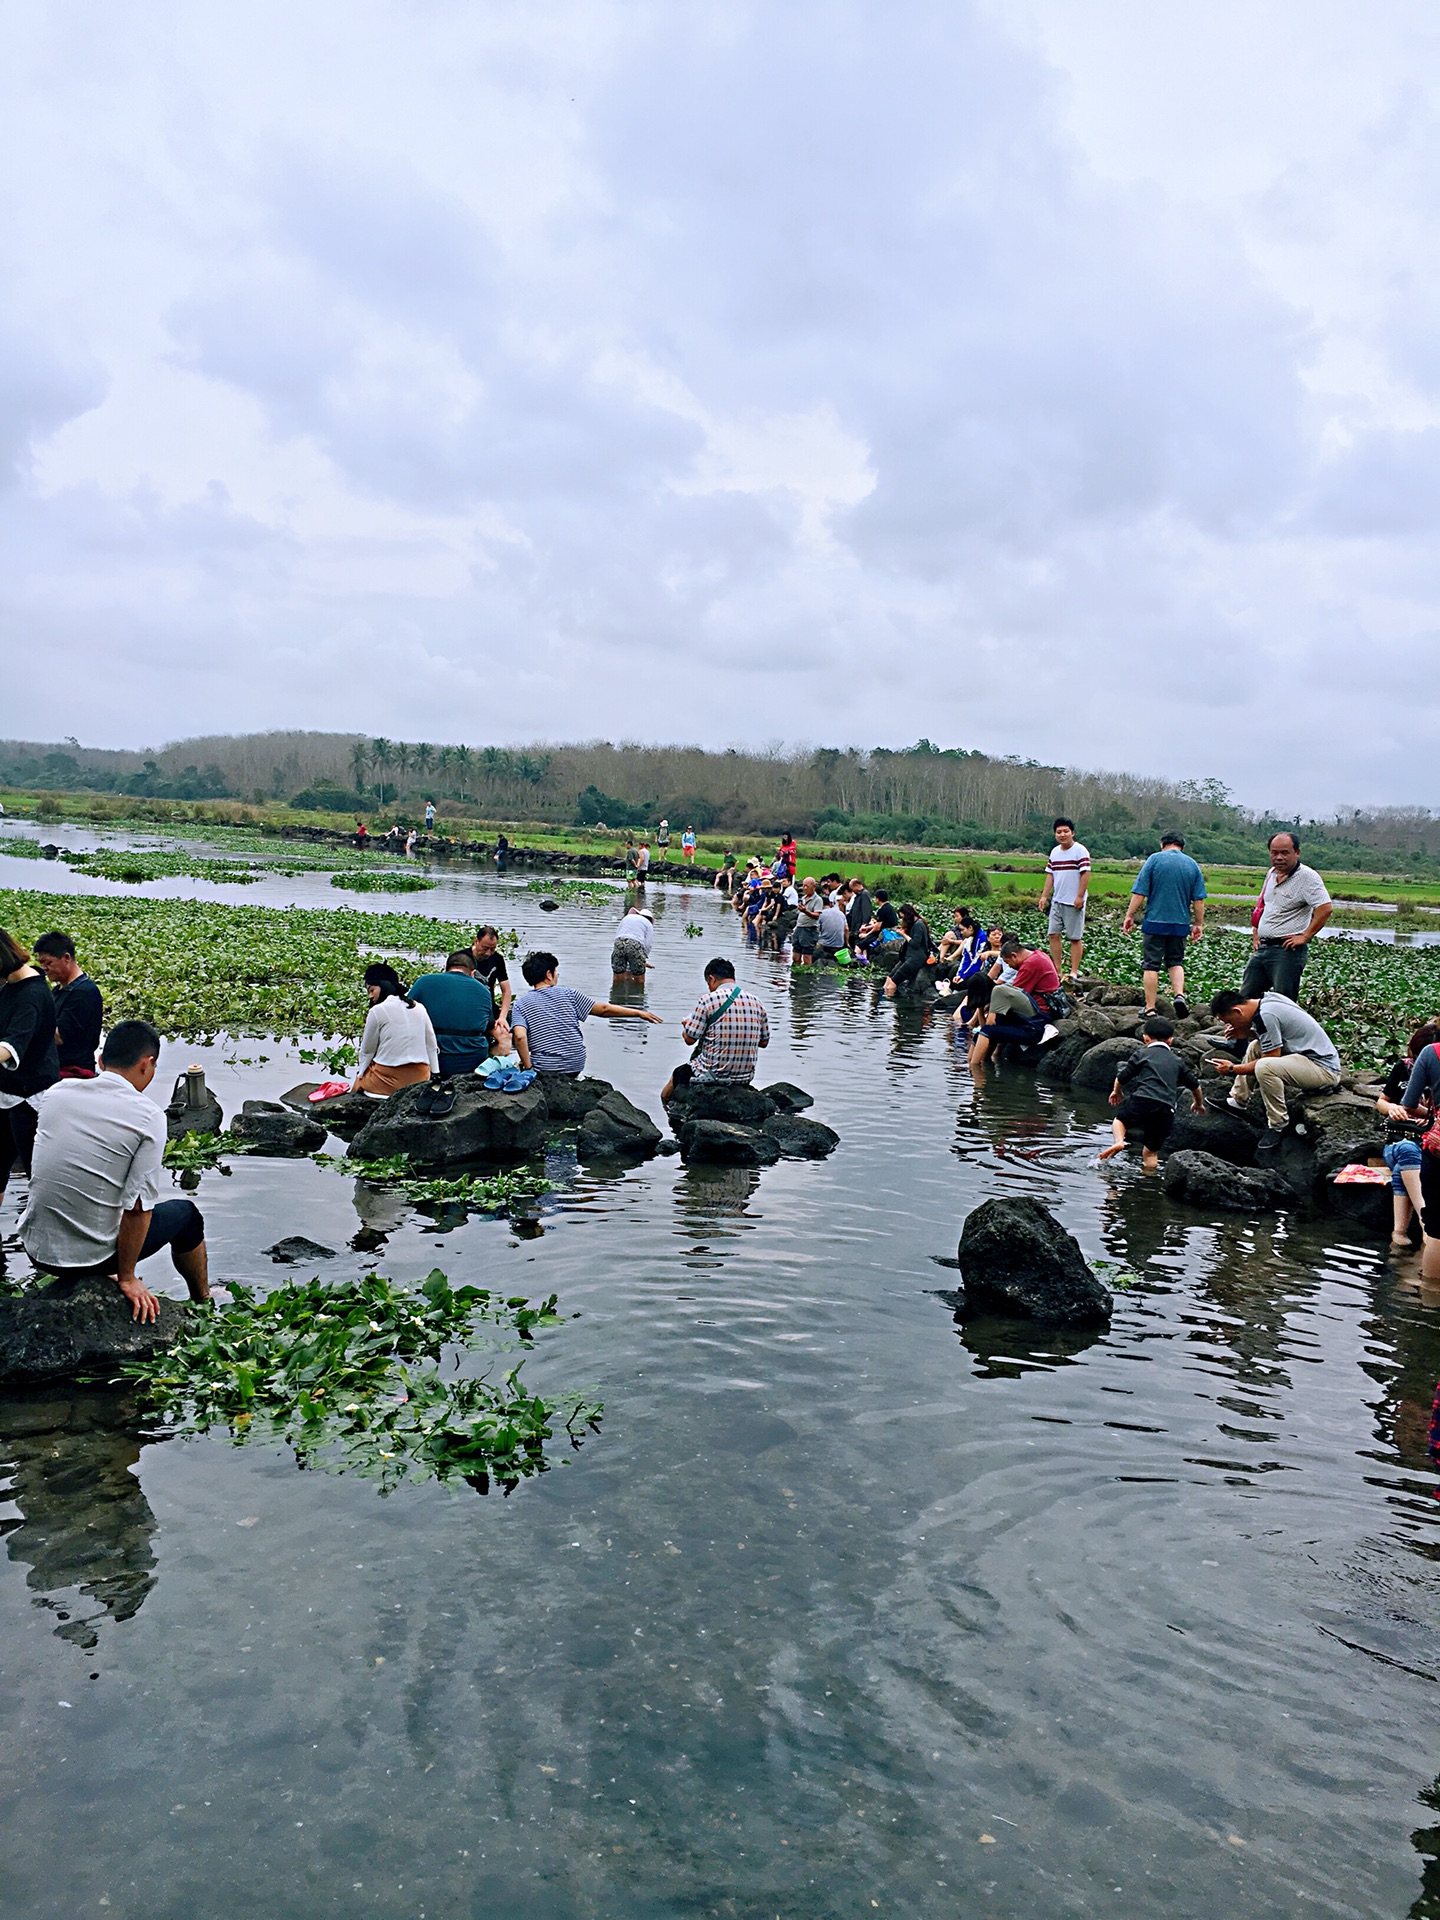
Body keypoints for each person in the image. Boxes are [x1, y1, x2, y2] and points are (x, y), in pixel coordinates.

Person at [20, 1019, 211, 1322]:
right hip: (89, 1259)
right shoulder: (148, 1117)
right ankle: (204, 1299)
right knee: (187, 1216)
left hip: (36, 1249)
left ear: (100, 1060)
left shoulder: (57, 1093)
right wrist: (127, 1277)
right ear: (148, 1064)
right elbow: (137, 1207)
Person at [1208, 987, 1342, 1159]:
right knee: (1255, 1046)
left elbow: (1270, 1059)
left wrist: (1232, 1069)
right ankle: (1238, 1100)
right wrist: (1245, 1033)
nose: (1229, 1026)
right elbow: (1272, 1038)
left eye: (1229, 1022)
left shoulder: (1266, 1016)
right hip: (1304, 1057)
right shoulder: (1268, 1000)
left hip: (1324, 1070)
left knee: (1265, 1067)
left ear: (1237, 1011)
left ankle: (1278, 1124)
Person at [511, 951, 662, 1074]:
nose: (557, 975)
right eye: (556, 971)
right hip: (576, 1065)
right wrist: (638, 1013)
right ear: (549, 974)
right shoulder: (568, 994)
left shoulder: (521, 1004)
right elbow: (604, 1010)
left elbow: (519, 1036)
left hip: (546, 1068)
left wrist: (529, 1068)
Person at [0, 928, 62, 1205]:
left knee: (37, 1178)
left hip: (29, 1100)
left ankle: (41, 1242)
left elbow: (10, 1047)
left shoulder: (31, 996)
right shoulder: (12, 985)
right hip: (7, 1094)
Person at [1099, 1015, 1205, 1172]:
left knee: (1119, 1120)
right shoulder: (1177, 1061)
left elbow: (1122, 1077)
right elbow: (1195, 1086)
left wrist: (1117, 1092)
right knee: (1150, 1153)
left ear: (1145, 1038)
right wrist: (1198, 1103)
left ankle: (1119, 1141)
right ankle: (1147, 1181)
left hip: (1142, 1099)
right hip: (1166, 1108)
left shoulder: (1141, 1054)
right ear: (1171, 1040)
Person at [661, 958, 770, 1102]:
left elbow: (689, 1040)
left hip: (713, 1076)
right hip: (745, 1077)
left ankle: (665, 1110)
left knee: (678, 1074)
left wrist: (686, 1025)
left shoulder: (708, 1000)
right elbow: (763, 1042)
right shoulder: (757, 1002)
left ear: (711, 979)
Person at [1123, 832, 1207, 1016]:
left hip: (1155, 922)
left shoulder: (1154, 860)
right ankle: (1179, 995)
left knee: (1151, 965)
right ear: (1181, 846)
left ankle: (1150, 1008)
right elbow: (1199, 900)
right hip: (1180, 923)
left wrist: (1129, 915)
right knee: (1176, 962)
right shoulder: (1192, 864)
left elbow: (1139, 893)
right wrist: (1198, 924)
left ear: (1163, 844)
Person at [1241, 832, 1332, 1002]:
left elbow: (1325, 908)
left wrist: (1305, 936)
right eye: (1274, 853)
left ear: (1296, 852)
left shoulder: (1307, 877)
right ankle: (1248, 1028)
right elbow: (1263, 905)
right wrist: (1256, 931)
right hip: (1264, 948)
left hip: (1287, 950)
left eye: (1284, 853)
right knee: (1246, 998)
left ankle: (1284, 1029)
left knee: (1283, 1001)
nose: (1279, 858)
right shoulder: (1271, 873)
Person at [1379, 1032, 1440, 1279]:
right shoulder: (1402, 1068)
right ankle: (1405, 1231)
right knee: (1406, 1153)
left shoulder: (1432, 1055)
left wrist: (1430, 1116)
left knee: (1437, 1231)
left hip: (1430, 1145)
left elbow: (1410, 1102)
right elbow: (1384, 1102)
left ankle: (1429, 1299)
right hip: (1408, 1142)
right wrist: (1393, 1109)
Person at [968, 937, 1061, 1067]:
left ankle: (973, 1068)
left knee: (988, 1030)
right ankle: (982, 1062)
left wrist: (986, 1010)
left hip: (1037, 1018)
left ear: (1014, 956)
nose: (1010, 967)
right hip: (1035, 1012)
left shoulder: (1029, 966)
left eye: (1008, 963)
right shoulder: (1038, 955)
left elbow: (1011, 996)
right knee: (987, 1030)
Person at [351, 964, 438, 1097]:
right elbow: (431, 1045)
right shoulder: (419, 1007)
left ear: (382, 986)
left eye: (371, 990)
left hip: (387, 1081)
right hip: (420, 1077)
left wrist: (360, 1076)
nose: (370, 996)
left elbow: (367, 1051)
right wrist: (436, 1074)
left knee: (360, 1081)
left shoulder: (377, 1011)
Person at [409, 952, 495, 1078]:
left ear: (445, 969)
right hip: (473, 1060)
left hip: (436, 1058)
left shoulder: (424, 982)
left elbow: (404, 1011)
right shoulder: (484, 990)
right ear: (472, 973)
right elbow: (489, 1023)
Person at [32, 930, 104, 1077]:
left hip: (73, 1071)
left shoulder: (83, 993)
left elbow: (58, 1037)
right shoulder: (59, 990)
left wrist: (28, 1020)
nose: (45, 968)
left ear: (66, 958)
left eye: (48, 962)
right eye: (41, 963)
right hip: (53, 1065)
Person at [1037, 817, 1090, 981]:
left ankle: (1074, 971)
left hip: (1073, 901)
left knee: (1074, 937)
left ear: (1072, 833)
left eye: (1066, 831)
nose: (1062, 834)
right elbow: (1050, 875)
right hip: (1057, 900)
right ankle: (1057, 968)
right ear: (1055, 834)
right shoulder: (1055, 852)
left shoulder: (1080, 851)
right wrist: (1044, 895)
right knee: (1053, 934)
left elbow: (1086, 873)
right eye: (1059, 832)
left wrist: (1080, 896)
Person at [882, 904, 936, 996]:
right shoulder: (913, 924)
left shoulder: (919, 925)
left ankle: (890, 1001)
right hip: (907, 957)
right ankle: (884, 998)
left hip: (916, 958)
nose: (903, 921)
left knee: (893, 982)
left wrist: (904, 935)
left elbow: (915, 944)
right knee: (889, 978)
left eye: (903, 918)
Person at [469, 927, 513, 1022]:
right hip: (468, 1007)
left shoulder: (497, 959)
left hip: (489, 1008)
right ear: (476, 941)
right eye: (485, 948)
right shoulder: (463, 958)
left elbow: (506, 990)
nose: (488, 953)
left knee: (506, 1035)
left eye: (492, 949)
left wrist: (502, 1017)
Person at [610, 904, 654, 983]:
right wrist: (642, 960)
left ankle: (617, 992)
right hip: (635, 944)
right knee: (639, 976)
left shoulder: (627, 918)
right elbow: (647, 945)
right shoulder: (648, 924)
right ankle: (639, 993)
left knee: (618, 973)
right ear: (650, 919)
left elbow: (618, 935)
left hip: (619, 942)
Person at [792, 877, 823, 966]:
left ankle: (807, 977)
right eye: (804, 886)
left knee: (806, 956)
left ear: (813, 887)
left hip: (809, 930)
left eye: (807, 886)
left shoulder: (818, 900)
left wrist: (805, 911)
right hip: (799, 928)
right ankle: (796, 975)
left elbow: (817, 916)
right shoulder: (803, 898)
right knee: (795, 956)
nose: (805, 888)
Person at [816, 895, 849, 963]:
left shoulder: (820, 914)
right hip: (839, 945)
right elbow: (846, 929)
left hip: (825, 946)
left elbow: (816, 931)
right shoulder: (841, 913)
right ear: (830, 904)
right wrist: (846, 944)